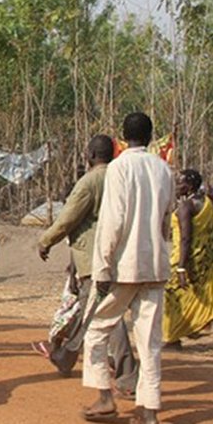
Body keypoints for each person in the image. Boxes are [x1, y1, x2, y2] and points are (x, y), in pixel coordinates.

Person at [81, 112, 173, 424]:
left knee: (95, 330)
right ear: (150, 136)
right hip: (155, 265)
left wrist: (103, 268)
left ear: (123, 137)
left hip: (123, 267)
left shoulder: (119, 168)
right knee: (149, 343)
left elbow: (112, 222)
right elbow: (165, 220)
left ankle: (105, 398)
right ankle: (149, 414)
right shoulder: (163, 168)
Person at [32, 135, 138, 396]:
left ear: (89, 154)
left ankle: (127, 377)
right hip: (117, 254)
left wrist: (45, 241)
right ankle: (65, 356)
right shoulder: (121, 178)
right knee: (87, 308)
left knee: (106, 315)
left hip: (94, 258)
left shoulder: (88, 182)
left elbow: (67, 219)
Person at [163, 169, 213, 347]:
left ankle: (173, 337)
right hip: (205, 260)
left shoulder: (186, 207)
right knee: (194, 295)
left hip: (184, 258)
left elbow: (185, 238)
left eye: (180, 183)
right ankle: (193, 327)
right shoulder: (207, 203)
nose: (176, 187)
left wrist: (181, 267)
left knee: (171, 295)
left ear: (190, 186)